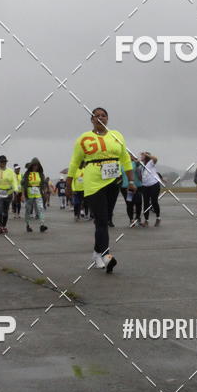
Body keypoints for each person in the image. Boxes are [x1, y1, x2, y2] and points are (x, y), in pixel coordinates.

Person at [66, 106, 134, 272]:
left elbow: (125, 159)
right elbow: (75, 162)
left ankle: (97, 253)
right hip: (93, 183)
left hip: (113, 181)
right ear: (92, 120)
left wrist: (131, 181)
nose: (100, 118)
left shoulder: (116, 135)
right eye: (96, 116)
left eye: (103, 115)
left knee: (105, 219)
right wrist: (69, 184)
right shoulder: (84, 138)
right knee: (102, 220)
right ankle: (106, 255)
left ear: (107, 118)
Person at [22, 158, 49, 233]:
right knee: (28, 210)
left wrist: (45, 192)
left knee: (40, 208)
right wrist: (23, 194)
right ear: (31, 165)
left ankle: (42, 225)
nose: (35, 167)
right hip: (29, 193)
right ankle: (28, 225)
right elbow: (23, 184)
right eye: (34, 165)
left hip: (38, 193)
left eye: (36, 165)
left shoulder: (40, 174)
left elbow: (43, 183)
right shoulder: (27, 174)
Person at [138, 152, 162, 227]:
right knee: (145, 203)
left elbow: (155, 158)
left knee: (154, 201)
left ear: (146, 157)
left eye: (142, 156)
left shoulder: (151, 163)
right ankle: (146, 221)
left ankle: (158, 218)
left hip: (154, 184)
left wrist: (147, 154)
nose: (141, 156)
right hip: (145, 186)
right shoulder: (142, 166)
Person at [122, 156, 143, 227]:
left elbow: (140, 162)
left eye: (130, 155)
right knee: (130, 203)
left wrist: (137, 160)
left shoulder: (135, 163)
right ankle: (131, 219)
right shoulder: (121, 164)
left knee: (138, 202)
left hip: (137, 186)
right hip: (128, 187)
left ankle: (138, 217)